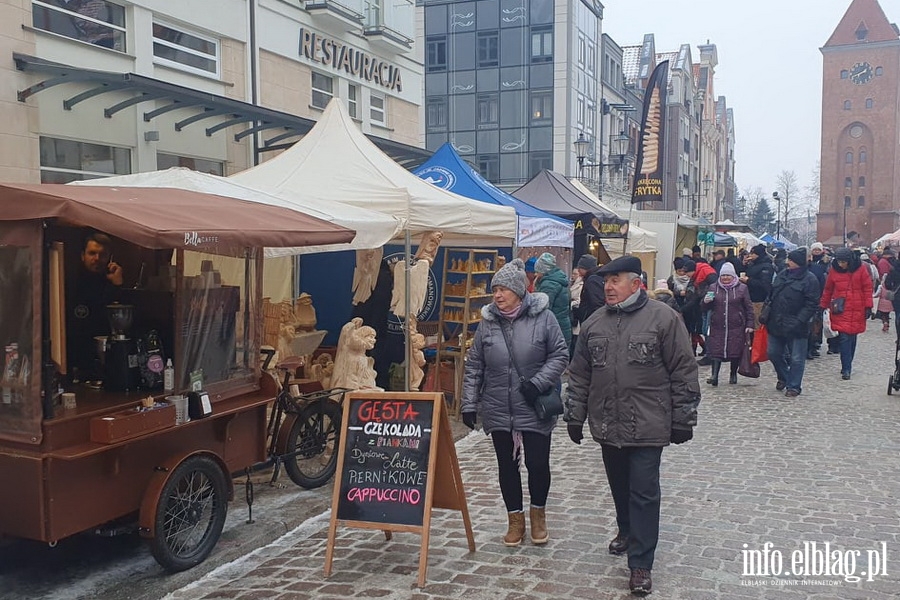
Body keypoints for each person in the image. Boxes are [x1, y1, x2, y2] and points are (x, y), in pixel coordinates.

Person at [565, 255, 700, 596]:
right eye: (606, 281)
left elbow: (683, 370)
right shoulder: (595, 322)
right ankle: (626, 530)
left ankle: (641, 563)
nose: (608, 287)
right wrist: (575, 414)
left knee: (643, 491)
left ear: (636, 283)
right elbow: (580, 374)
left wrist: (683, 418)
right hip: (608, 421)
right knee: (619, 484)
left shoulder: (664, 319)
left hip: (648, 422)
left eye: (615, 280)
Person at [460, 258, 568, 548]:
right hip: (498, 407)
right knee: (506, 467)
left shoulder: (544, 318)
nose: (497, 295)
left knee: (537, 464)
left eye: (503, 289)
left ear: (519, 291)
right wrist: (469, 403)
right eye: (495, 289)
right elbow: (475, 366)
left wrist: (538, 383)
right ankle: (515, 520)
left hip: (533, 406)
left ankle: (538, 516)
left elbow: (560, 355)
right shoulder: (488, 323)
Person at [763, 248, 820, 397]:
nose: (788, 262)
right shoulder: (782, 275)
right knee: (773, 353)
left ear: (798, 263)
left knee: (796, 358)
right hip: (776, 321)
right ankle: (784, 377)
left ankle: (794, 386)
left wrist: (800, 320)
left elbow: (812, 304)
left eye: (791, 260)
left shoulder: (810, 279)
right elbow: (772, 294)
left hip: (797, 324)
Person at [68, 232, 124, 381]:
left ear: (109, 258)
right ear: (82, 255)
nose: (97, 259)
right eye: (92, 253)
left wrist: (117, 286)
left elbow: (118, 318)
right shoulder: (69, 284)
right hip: (75, 360)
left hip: (106, 360)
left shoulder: (111, 284)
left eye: (102, 254)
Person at [819, 248, 873, 380]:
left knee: (852, 338)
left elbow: (867, 288)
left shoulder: (861, 269)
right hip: (841, 308)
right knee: (844, 338)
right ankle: (846, 368)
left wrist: (868, 306)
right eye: (839, 262)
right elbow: (828, 289)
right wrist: (823, 305)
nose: (841, 264)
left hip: (857, 307)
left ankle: (848, 364)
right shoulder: (834, 270)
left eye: (843, 262)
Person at [701, 263, 754, 385]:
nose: (725, 278)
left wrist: (750, 324)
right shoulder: (713, 287)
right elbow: (704, 307)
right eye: (723, 275)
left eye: (728, 275)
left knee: (735, 350)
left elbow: (748, 307)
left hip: (736, 325)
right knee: (716, 350)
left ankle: (733, 373)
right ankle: (714, 376)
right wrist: (705, 301)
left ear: (733, 276)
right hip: (717, 324)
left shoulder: (742, 288)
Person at [534, 252, 572, 347]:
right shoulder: (559, 279)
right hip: (562, 327)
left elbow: (543, 310)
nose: (535, 274)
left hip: (554, 329)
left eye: (537, 271)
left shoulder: (548, 284)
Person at [740, 244, 775, 326]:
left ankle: (757, 339)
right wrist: (744, 265)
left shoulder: (766, 266)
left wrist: (748, 280)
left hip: (759, 300)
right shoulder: (753, 264)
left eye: (752, 253)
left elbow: (764, 285)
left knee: (757, 324)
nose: (750, 255)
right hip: (749, 298)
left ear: (758, 254)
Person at [806, 242, 829, 358]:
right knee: (811, 324)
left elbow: (823, 284)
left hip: (816, 298)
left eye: (818, 250)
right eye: (814, 250)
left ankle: (814, 344)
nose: (816, 252)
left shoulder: (822, 265)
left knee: (815, 324)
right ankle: (809, 347)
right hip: (809, 299)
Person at [575, 254, 606, 322]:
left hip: (590, 319)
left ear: (585, 268)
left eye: (579, 268)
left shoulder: (592, 280)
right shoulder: (595, 277)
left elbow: (597, 303)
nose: (578, 270)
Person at [569, 268, 585, 359]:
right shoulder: (572, 284)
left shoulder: (580, 285)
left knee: (575, 337)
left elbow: (579, 300)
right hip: (572, 313)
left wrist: (571, 303)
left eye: (575, 274)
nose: (573, 276)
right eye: (573, 273)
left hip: (576, 313)